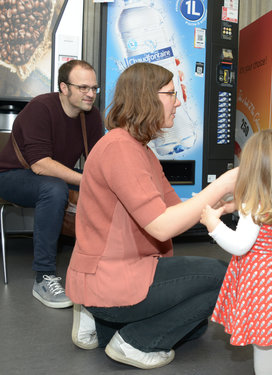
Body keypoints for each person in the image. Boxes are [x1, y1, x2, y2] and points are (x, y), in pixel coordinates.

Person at [65, 62, 237, 370]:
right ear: (146, 98)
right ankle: (135, 342)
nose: (178, 101)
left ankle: (106, 323)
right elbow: (161, 226)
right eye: (171, 93)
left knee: (196, 327)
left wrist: (223, 204)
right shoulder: (121, 149)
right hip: (114, 276)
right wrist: (221, 184)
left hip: (112, 273)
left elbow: (175, 209)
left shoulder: (139, 149)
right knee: (223, 277)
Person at [200, 129, 272, 375]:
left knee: (264, 343)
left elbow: (240, 245)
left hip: (260, 283)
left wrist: (213, 224)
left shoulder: (253, 208)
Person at [0, 60, 103, 308]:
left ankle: (106, 263)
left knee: (105, 186)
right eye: (83, 88)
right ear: (64, 88)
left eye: (94, 88)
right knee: (55, 189)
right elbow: (40, 165)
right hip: (12, 175)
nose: (90, 94)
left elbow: (97, 160)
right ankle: (43, 277)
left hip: (54, 176)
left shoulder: (91, 115)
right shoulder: (41, 108)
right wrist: (88, 180)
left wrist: (104, 180)